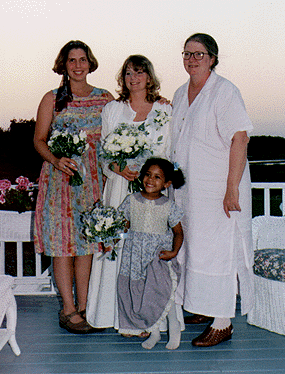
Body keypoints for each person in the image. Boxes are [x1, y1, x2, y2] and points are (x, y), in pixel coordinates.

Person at [171, 33, 254, 347]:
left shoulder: (225, 91)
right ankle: (203, 307)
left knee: (218, 252)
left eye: (199, 54)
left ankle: (223, 322)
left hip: (220, 188)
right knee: (194, 249)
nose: (192, 60)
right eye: (187, 53)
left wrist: (231, 189)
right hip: (189, 191)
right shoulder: (181, 93)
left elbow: (240, 139)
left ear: (213, 59)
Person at [33, 40, 114, 334]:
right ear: (63, 65)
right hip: (60, 180)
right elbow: (39, 140)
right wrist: (57, 160)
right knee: (63, 245)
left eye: (82, 60)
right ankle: (67, 308)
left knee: (87, 244)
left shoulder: (105, 98)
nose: (78, 66)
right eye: (72, 60)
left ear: (90, 63)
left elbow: (125, 121)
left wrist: (160, 102)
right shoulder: (52, 98)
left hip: (92, 179)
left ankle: (85, 306)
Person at [86, 55, 172, 330]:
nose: (133, 78)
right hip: (120, 188)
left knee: (147, 252)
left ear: (149, 76)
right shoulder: (113, 109)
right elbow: (104, 151)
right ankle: (112, 316)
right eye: (128, 74)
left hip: (151, 193)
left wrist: (149, 175)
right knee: (118, 247)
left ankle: (147, 318)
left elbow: (166, 151)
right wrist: (118, 167)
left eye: (139, 72)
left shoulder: (163, 110)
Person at [117, 158, 185, 349]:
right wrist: (111, 240)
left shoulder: (168, 205)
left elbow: (178, 232)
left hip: (157, 257)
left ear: (166, 184)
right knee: (143, 296)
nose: (150, 180)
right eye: (148, 174)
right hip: (135, 257)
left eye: (157, 177)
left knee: (162, 293)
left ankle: (174, 328)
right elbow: (123, 227)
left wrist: (173, 252)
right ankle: (153, 332)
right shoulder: (131, 201)